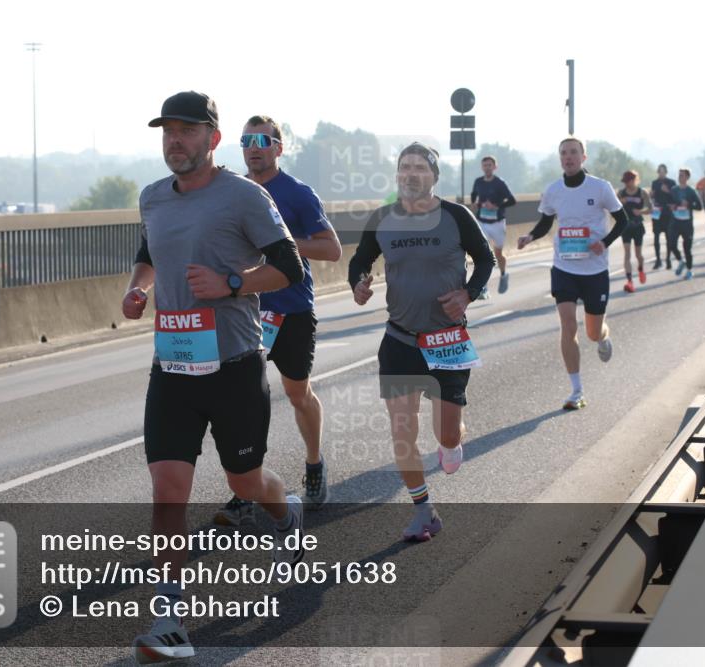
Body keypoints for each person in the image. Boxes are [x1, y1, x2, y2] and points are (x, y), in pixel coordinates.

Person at [125, 91, 307, 662]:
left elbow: (288, 267)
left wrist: (230, 284)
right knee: (168, 489)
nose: (174, 140)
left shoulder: (244, 196)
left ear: (212, 139)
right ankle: (169, 615)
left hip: (232, 365)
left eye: (186, 130)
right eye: (167, 131)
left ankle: (287, 513)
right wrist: (139, 287)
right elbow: (150, 250)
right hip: (173, 365)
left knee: (246, 483)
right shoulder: (153, 198)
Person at [348, 142, 494, 541]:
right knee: (402, 430)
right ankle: (422, 509)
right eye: (404, 167)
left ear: (434, 176)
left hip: (447, 340)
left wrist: (468, 293)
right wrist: (358, 283)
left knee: (446, 434)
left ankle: (451, 444)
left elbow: (485, 259)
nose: (410, 174)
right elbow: (360, 259)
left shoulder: (456, 216)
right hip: (400, 338)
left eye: (419, 168)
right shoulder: (383, 218)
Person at [213, 116, 343, 527]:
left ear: (278, 148)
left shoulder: (298, 194)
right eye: (246, 141)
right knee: (242, 401)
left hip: (290, 310)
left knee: (297, 393)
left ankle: (314, 462)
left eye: (262, 140)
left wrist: (283, 243)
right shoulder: (232, 192)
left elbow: (332, 249)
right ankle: (245, 490)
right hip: (245, 311)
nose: (253, 147)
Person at [516, 137, 629, 410]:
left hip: (594, 270)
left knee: (591, 332)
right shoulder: (553, 190)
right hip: (564, 267)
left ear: (583, 157)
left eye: (573, 152)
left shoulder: (600, 187)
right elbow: (545, 222)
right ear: (560, 159)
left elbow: (623, 220)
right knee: (568, 325)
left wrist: (604, 243)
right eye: (564, 153)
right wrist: (530, 236)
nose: (568, 157)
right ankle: (576, 391)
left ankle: (603, 336)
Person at [471, 155, 517, 295]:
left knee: (498, 254)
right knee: (482, 252)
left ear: (495, 167)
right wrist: (477, 204)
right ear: (482, 167)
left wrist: (496, 206)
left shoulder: (499, 183)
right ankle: (482, 286)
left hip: (497, 223)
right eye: (485, 165)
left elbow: (512, 200)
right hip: (482, 222)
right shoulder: (478, 181)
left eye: (490, 165)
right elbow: (474, 195)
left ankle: (503, 274)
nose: (487, 168)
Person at [617, 170, 651, 292]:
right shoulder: (621, 193)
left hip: (637, 226)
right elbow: (614, 208)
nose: (626, 184)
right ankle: (629, 281)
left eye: (627, 181)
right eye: (624, 182)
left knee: (638, 254)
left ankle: (641, 269)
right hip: (625, 226)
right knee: (627, 254)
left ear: (634, 180)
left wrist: (640, 212)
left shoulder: (642, 193)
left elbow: (650, 209)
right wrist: (620, 203)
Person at [668, 168, 702, 279]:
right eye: (679, 175)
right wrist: (672, 206)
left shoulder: (691, 191)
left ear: (687, 177)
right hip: (675, 222)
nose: (680, 177)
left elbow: (699, 207)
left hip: (687, 223)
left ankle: (689, 270)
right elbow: (669, 203)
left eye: (682, 175)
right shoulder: (674, 190)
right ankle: (680, 261)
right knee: (671, 244)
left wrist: (689, 205)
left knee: (687, 248)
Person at [649, 164, 677, 270]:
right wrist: (651, 195)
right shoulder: (654, 183)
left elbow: (675, 197)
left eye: (663, 171)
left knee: (668, 237)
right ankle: (658, 260)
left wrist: (668, 191)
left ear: (666, 172)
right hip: (657, 212)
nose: (661, 173)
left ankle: (668, 259)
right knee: (656, 237)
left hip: (667, 212)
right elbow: (653, 196)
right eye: (659, 171)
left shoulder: (671, 183)